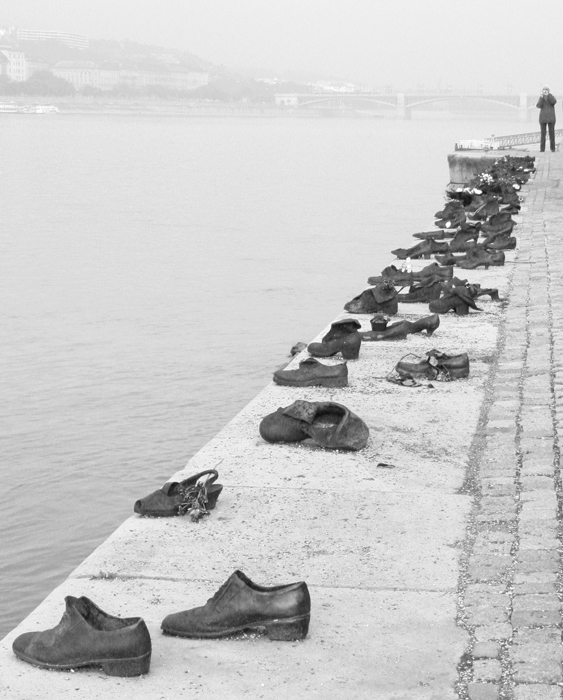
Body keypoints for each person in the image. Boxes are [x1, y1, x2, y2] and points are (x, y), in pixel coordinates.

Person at [536, 85, 557, 152]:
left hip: (551, 118)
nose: (545, 91)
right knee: (543, 135)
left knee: (552, 134)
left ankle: (552, 148)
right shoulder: (541, 98)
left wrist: (549, 95)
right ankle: (542, 149)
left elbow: (554, 102)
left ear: (548, 91)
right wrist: (541, 98)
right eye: (544, 90)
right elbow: (538, 105)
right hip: (543, 119)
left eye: (546, 90)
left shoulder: (551, 97)